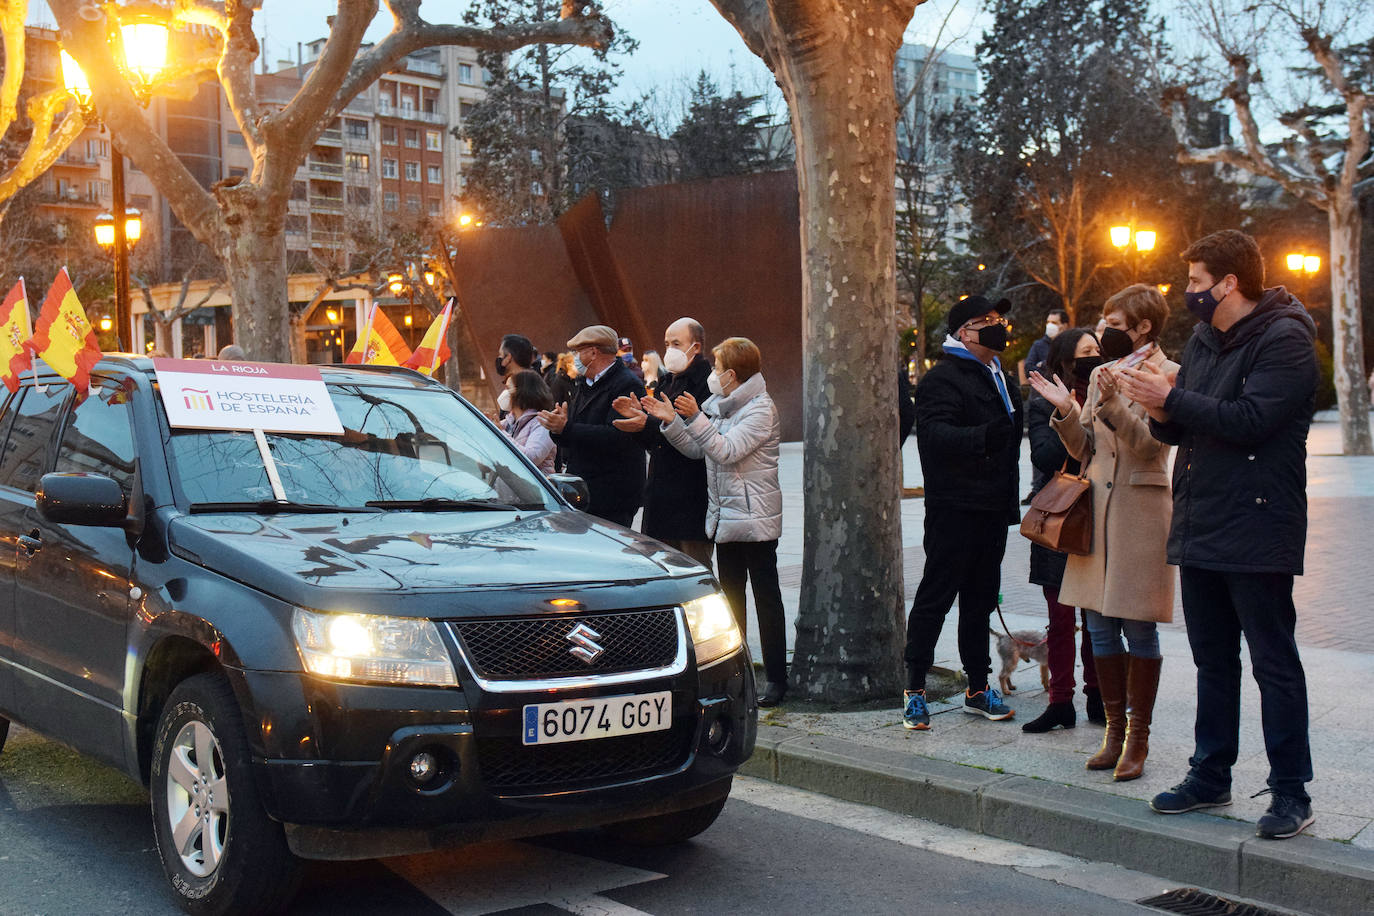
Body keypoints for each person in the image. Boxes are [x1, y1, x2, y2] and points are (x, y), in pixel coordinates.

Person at [1118, 229, 1317, 840]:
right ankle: (1211, 774)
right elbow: (1184, 431)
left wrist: (1172, 399)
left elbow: (1253, 421)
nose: (1189, 293)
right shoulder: (1204, 340)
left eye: (1198, 282)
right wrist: (1157, 408)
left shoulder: (1286, 338)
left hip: (1259, 522)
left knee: (1272, 661)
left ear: (1230, 283)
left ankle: (1291, 792)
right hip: (1202, 518)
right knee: (1212, 660)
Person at [1031, 285, 1177, 782]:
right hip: (1095, 508)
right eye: (1104, 319)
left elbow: (1151, 449)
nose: (1105, 329)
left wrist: (1113, 400)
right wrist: (1067, 412)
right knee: (1095, 625)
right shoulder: (1099, 374)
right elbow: (1087, 447)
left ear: (1142, 327)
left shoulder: (1169, 375)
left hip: (1139, 511)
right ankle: (1112, 733)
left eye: (1115, 322)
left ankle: (1138, 738)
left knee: (1138, 626)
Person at [641, 337, 786, 706]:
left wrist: (694, 417)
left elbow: (726, 451)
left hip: (755, 518)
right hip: (724, 519)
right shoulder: (720, 405)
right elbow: (695, 447)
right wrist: (672, 421)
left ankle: (777, 679)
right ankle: (735, 674)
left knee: (766, 599)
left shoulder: (759, 409)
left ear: (733, 374)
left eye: (719, 369)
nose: (714, 375)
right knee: (730, 600)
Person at [902, 295, 1023, 730]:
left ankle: (977, 688)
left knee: (980, 603)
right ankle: (914, 687)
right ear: (961, 334)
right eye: (983, 321)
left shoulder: (1002, 377)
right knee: (935, 598)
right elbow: (933, 437)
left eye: (997, 318)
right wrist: (984, 436)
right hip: (954, 508)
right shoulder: (942, 379)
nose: (996, 325)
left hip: (992, 509)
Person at [1021, 327, 1103, 734]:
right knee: (1060, 615)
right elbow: (1046, 454)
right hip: (1061, 515)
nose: (1095, 357)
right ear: (1066, 360)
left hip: (1101, 514)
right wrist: (1067, 412)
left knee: (1097, 618)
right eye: (1086, 352)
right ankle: (1060, 701)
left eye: (1098, 350)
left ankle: (1098, 694)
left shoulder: (1109, 393)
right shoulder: (1043, 401)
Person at [611, 318, 714, 569]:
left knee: (693, 569)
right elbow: (656, 439)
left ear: (696, 347)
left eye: (677, 343)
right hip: (660, 495)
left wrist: (650, 423)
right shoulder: (668, 381)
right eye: (667, 343)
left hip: (690, 498)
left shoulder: (706, 384)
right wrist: (640, 422)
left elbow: (699, 441)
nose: (670, 350)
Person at [539, 325, 647, 527]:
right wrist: (557, 429)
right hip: (585, 489)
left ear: (593, 352)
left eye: (579, 351)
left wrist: (566, 428)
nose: (575, 358)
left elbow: (617, 436)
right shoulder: (585, 384)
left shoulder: (626, 384)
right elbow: (571, 429)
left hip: (612, 494)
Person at [500, 370, 556, 474]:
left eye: (508, 388)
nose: (504, 393)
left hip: (533, 488)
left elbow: (531, 458)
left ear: (523, 392)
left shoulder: (542, 424)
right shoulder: (507, 423)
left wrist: (500, 433)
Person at [1025, 308, 1069, 379]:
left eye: (1054, 323)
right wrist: (1051, 376)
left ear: (1064, 326)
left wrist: (1043, 364)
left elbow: (1068, 366)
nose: (1049, 325)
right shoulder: (1038, 345)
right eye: (1048, 322)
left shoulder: (1071, 344)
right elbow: (1028, 369)